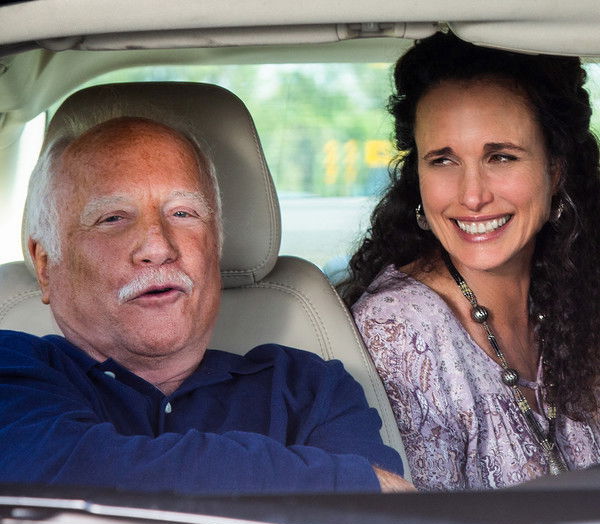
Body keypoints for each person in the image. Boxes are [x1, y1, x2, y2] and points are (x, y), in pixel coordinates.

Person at [0, 115, 412, 495]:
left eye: (183, 213)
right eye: (112, 218)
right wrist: (347, 479)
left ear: (215, 246)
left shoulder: (310, 389)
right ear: (45, 265)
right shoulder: (11, 367)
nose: (158, 247)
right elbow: (61, 473)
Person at [343, 32, 600, 491]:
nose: (473, 196)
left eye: (500, 157)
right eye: (443, 161)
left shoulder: (571, 292)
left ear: (555, 169)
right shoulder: (399, 330)